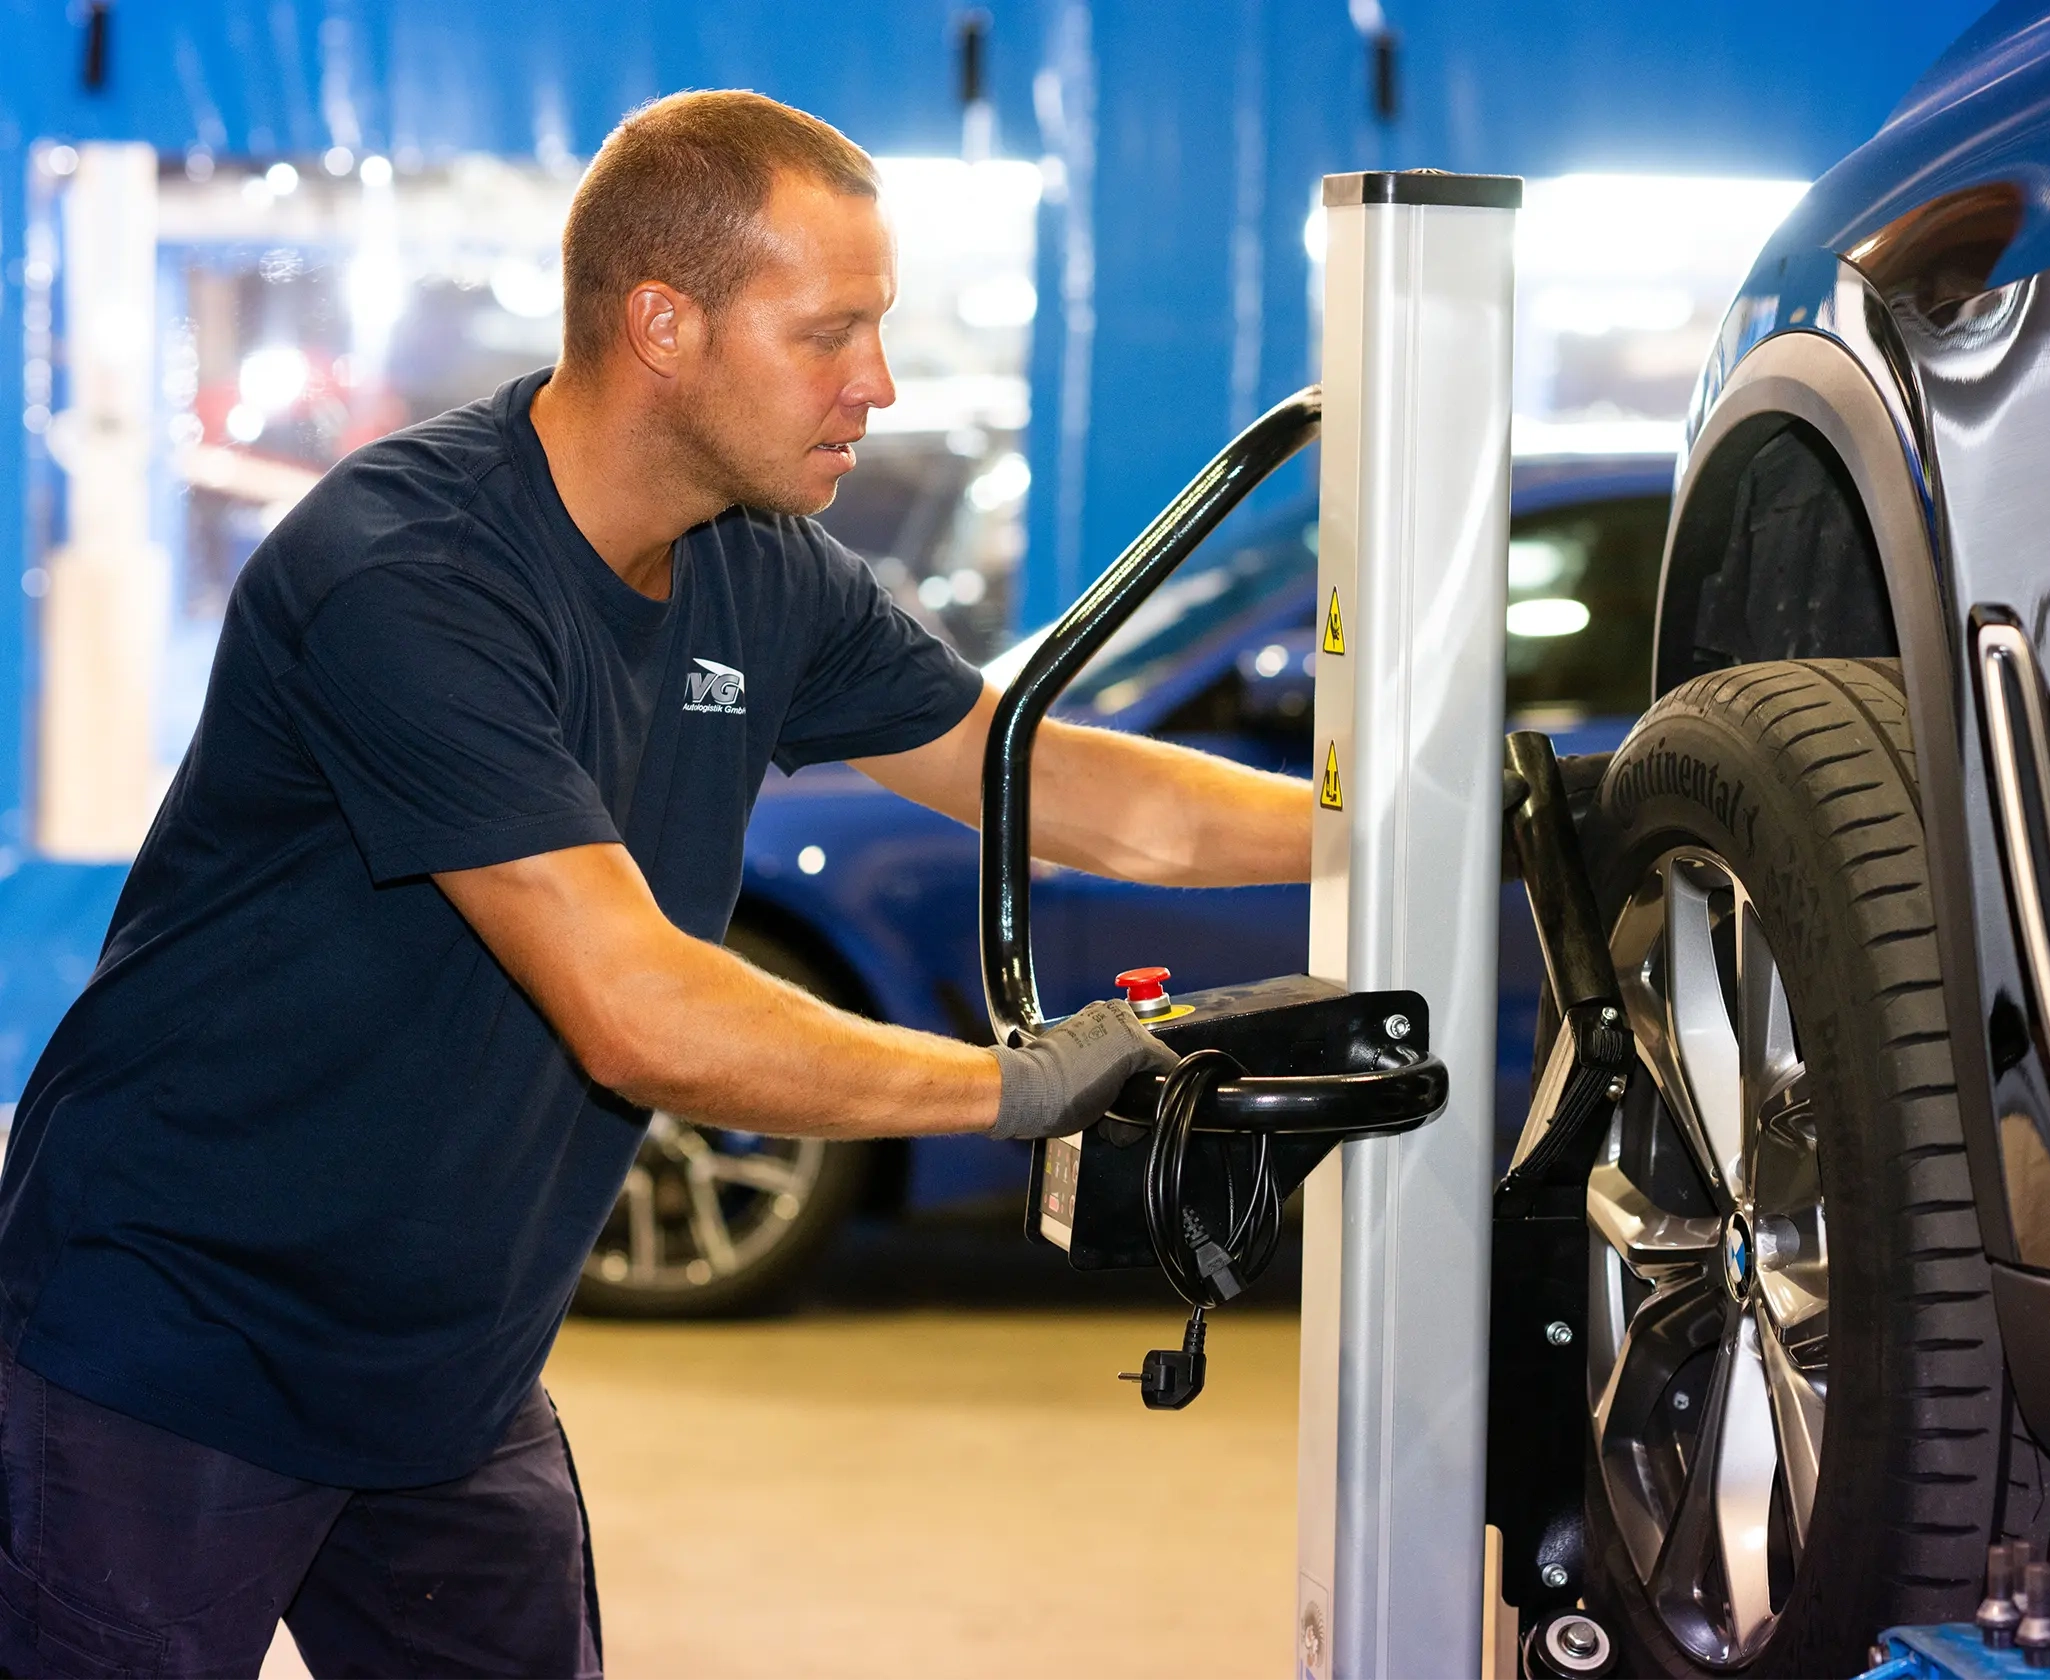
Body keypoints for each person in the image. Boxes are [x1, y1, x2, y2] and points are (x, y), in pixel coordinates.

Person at [0, 92, 1309, 1678]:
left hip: (449, 1382)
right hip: (164, 1359)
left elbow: (1052, 779)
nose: (876, 385)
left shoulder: (763, 565)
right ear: (664, 323)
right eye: (832, 333)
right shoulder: (409, 574)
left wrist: (1435, 818)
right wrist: (1015, 1087)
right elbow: (639, 1014)